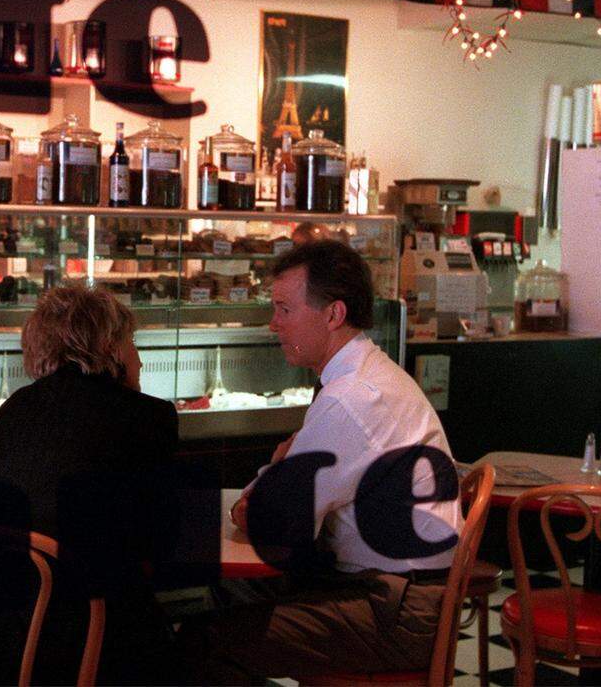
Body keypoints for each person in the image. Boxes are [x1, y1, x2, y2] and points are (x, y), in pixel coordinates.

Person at [186, 240, 463, 684]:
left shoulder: (353, 399)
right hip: (395, 590)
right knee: (234, 589)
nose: (273, 324)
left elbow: (273, 521)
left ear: (333, 314)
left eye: (285, 310)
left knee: (205, 638)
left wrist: (266, 484)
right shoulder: (367, 376)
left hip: (396, 609)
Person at [0, 283, 179, 684]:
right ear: (111, 347)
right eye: (132, 342)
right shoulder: (149, 416)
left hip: (2, 630)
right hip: (92, 636)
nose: (140, 358)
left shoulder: (14, 411)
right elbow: (161, 540)